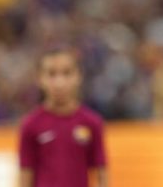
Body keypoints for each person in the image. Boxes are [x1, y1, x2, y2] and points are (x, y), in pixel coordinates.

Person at [18, 48, 108, 187]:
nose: (59, 82)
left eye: (67, 73)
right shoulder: (30, 124)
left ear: (78, 76)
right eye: (51, 74)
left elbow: (101, 173)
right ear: (40, 78)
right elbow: (25, 175)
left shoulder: (92, 122)